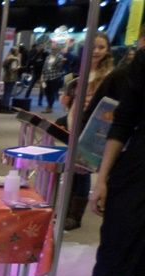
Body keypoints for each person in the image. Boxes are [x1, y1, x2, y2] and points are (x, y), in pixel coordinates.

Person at [59, 48, 145, 276]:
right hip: (136, 174)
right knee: (110, 262)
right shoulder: (138, 66)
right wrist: (103, 179)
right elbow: (122, 123)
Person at [60, 33, 114, 230]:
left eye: (101, 47)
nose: (97, 51)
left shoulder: (109, 75)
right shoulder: (81, 73)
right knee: (71, 170)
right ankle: (65, 210)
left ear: (107, 50)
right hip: (75, 124)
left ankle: (75, 215)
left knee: (83, 170)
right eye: (93, 47)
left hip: (94, 128)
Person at [41, 43, 65, 114]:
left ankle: (49, 107)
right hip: (46, 77)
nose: (53, 50)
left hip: (55, 77)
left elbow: (59, 67)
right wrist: (42, 76)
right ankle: (49, 105)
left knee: (52, 92)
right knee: (46, 92)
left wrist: (62, 62)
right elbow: (44, 67)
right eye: (52, 49)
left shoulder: (60, 57)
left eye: (54, 49)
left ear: (57, 50)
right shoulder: (48, 57)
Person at [1, 47, 21, 112]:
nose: (18, 52)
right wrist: (18, 67)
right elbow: (13, 68)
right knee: (8, 93)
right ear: (15, 52)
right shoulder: (14, 59)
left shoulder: (7, 58)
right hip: (11, 77)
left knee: (6, 92)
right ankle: (6, 107)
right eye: (17, 51)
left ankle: (3, 106)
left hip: (6, 77)